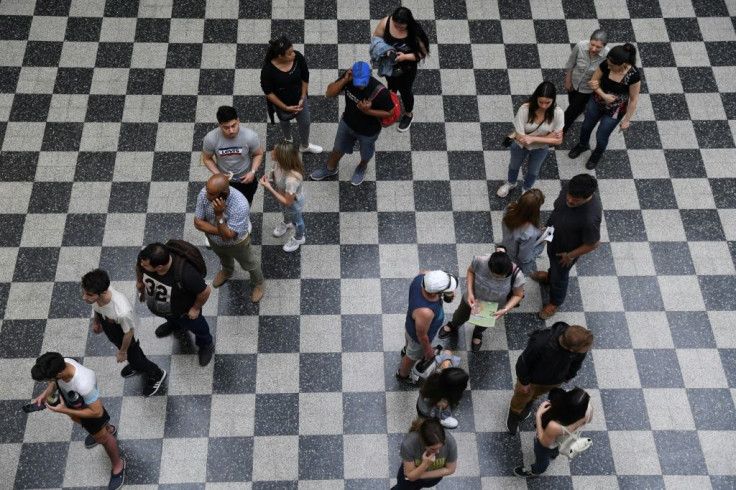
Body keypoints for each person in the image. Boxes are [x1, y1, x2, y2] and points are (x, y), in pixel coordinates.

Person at [31, 352, 125, 490]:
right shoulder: (62, 362)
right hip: (79, 405)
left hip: (90, 412)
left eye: (47, 379)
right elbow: (54, 382)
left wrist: (63, 410)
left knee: (103, 438)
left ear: (59, 374)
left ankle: (118, 465)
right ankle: (109, 429)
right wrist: (45, 394)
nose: (48, 382)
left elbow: (97, 412)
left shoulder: (84, 384)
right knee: (102, 428)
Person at [82, 268, 167, 397]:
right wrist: (97, 322)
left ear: (104, 292)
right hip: (112, 327)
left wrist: (122, 352)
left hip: (128, 334)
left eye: (89, 294)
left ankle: (157, 374)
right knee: (131, 356)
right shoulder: (96, 295)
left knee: (137, 357)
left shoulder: (121, 311)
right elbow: (97, 308)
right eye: (84, 292)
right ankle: (134, 364)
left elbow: (129, 333)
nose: (84, 297)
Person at [310, 61, 394, 186]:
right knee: (338, 148)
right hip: (347, 122)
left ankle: (362, 167)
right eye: (357, 82)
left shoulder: (380, 92)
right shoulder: (348, 78)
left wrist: (368, 111)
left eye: (363, 82)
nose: (360, 86)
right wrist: (344, 80)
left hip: (368, 131)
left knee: (366, 153)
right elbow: (329, 94)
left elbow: (390, 113)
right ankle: (330, 169)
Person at [531, 174, 601, 320]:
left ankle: (555, 302)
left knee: (560, 276)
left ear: (587, 197)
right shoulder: (571, 187)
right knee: (554, 269)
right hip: (554, 238)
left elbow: (594, 243)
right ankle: (549, 277)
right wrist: (548, 227)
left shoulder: (590, 218)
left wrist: (570, 255)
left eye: (575, 200)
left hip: (566, 251)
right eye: (569, 195)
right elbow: (558, 210)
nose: (569, 200)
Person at [136, 242, 215, 366]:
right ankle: (174, 325)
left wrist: (195, 308)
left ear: (159, 267)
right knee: (172, 318)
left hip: (184, 312)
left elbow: (205, 291)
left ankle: (205, 344)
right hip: (166, 308)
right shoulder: (145, 259)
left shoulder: (186, 274)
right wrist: (139, 281)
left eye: (145, 265)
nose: (142, 265)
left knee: (199, 327)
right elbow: (139, 267)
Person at [506, 322, 593, 435]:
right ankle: (514, 413)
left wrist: (569, 376)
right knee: (521, 397)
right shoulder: (541, 343)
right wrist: (524, 382)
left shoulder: (580, 347)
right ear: (571, 349)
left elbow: (576, 364)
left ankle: (530, 402)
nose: (585, 351)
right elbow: (523, 363)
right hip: (531, 380)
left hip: (554, 380)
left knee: (536, 395)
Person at [567, 43, 641, 169]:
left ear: (622, 64)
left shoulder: (633, 75)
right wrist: (604, 95)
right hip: (596, 101)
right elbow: (593, 82)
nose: (608, 66)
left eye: (612, 66)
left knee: (602, 135)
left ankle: (597, 153)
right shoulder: (606, 64)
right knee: (586, 126)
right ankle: (583, 144)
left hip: (616, 109)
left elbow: (634, 99)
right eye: (608, 63)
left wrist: (626, 120)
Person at [438, 247, 525, 352]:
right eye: (493, 275)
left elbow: (518, 295)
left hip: (492, 307)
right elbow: (470, 271)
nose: (496, 278)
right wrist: (470, 293)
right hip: (472, 300)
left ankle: (478, 333)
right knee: (460, 315)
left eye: (500, 277)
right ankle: (453, 324)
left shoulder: (517, 276)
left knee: (483, 324)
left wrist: (505, 309)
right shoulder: (480, 261)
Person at [194, 174, 265, 302]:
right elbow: (198, 223)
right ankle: (227, 270)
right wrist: (223, 231)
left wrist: (219, 215)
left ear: (224, 194)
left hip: (237, 243)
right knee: (223, 257)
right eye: (207, 191)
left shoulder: (240, 204)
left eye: (211, 194)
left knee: (250, 264)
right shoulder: (205, 193)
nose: (206, 196)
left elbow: (229, 237)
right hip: (214, 240)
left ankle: (258, 283)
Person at [497, 81, 564, 198]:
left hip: (540, 149)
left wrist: (532, 138)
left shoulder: (558, 113)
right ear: (535, 98)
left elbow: (558, 140)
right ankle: (511, 183)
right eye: (541, 102)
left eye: (547, 102)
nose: (544, 106)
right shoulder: (525, 109)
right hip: (520, 146)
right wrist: (547, 138)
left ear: (553, 100)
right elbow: (520, 137)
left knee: (533, 171)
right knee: (514, 166)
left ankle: (526, 188)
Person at [372, 6, 430, 132]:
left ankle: (408, 114)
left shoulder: (416, 32)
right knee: (391, 88)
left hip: (407, 68)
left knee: (405, 91)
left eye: (401, 26)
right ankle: (391, 108)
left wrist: (404, 57)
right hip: (389, 66)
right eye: (396, 25)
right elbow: (376, 38)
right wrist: (386, 51)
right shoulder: (386, 22)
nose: (397, 28)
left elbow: (422, 53)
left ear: (408, 23)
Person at [514, 387, 594, 478]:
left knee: (542, 457)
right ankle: (553, 455)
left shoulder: (555, 426)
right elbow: (588, 419)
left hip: (550, 443)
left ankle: (535, 470)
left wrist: (538, 416)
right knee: (555, 451)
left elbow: (544, 442)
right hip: (564, 441)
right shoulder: (589, 409)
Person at [260, 36, 322, 153]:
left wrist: (302, 98)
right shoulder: (268, 70)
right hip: (281, 102)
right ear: (280, 56)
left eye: (293, 51)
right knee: (284, 121)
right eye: (289, 53)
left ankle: (305, 145)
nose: (294, 54)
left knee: (305, 123)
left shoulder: (297, 57)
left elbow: (305, 77)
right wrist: (284, 107)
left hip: (299, 98)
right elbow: (268, 92)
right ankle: (288, 140)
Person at [397, 270, 458, 380]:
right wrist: (428, 349)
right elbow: (421, 336)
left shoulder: (422, 277)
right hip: (418, 339)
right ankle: (403, 374)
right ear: (434, 293)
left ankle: (406, 350)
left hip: (410, 324)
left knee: (409, 342)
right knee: (411, 357)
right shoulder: (425, 312)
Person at [202, 105, 264, 206]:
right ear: (219, 124)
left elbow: (258, 153)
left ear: (238, 120)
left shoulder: (250, 136)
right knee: (223, 205)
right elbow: (207, 158)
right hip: (223, 181)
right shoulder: (211, 138)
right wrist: (219, 175)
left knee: (246, 204)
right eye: (226, 127)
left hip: (245, 180)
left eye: (233, 126)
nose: (231, 131)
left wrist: (252, 172)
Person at [260, 140, 307, 252]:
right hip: (282, 195)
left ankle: (299, 238)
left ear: (282, 158)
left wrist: (269, 187)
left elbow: (288, 202)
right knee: (284, 211)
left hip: (293, 204)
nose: (271, 152)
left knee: (298, 222)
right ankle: (287, 223)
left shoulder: (291, 180)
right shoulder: (278, 163)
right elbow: (276, 173)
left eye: (274, 152)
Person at [563, 30, 610, 134]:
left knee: (570, 113)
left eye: (598, 47)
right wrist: (568, 80)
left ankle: (560, 133)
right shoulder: (580, 46)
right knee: (573, 102)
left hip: (587, 89)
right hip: (574, 82)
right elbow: (571, 63)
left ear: (604, 46)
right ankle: (579, 110)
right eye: (592, 44)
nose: (593, 49)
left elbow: (606, 74)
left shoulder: (607, 56)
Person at [392, 418, 457, 490]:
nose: (438, 452)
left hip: (431, 480)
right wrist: (425, 464)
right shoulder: (409, 444)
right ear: (423, 443)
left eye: (440, 447)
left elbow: (451, 469)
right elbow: (410, 476)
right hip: (407, 481)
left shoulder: (450, 442)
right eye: (433, 449)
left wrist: (419, 475)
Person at [501, 189, 547, 275]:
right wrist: (542, 245)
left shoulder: (509, 209)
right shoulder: (529, 233)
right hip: (515, 263)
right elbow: (524, 258)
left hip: (505, 249)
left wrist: (537, 233)